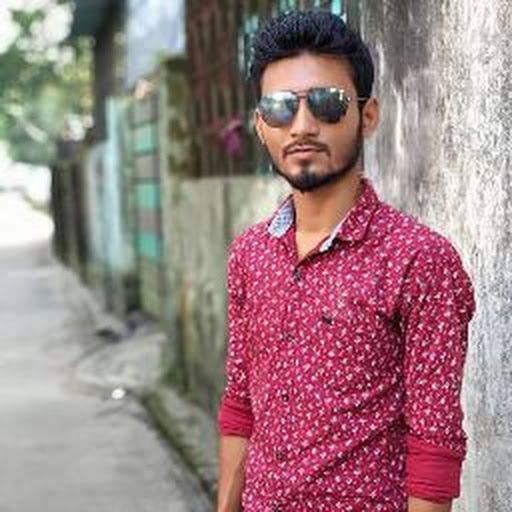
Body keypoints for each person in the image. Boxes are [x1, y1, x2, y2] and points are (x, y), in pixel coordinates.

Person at [217, 10, 475, 512]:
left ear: (367, 116)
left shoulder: (419, 260)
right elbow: (241, 404)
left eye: (327, 103)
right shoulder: (249, 254)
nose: (302, 126)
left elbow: (434, 444)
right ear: (260, 125)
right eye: (280, 107)